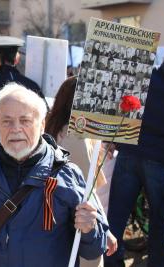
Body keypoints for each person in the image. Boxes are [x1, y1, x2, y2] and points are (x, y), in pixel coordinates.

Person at [0, 82, 109, 267]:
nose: (15, 129)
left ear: (42, 125)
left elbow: (94, 249)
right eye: (6, 121)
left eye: (25, 120)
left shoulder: (67, 174)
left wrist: (90, 229)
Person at [105, 54, 164, 267]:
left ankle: (111, 262)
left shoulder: (149, 75)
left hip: (129, 150)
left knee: (116, 217)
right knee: (159, 221)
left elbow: (125, 107)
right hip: (160, 160)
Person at [45, 77, 118, 267]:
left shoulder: (55, 129)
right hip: (79, 223)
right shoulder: (76, 136)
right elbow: (87, 190)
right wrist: (105, 229)